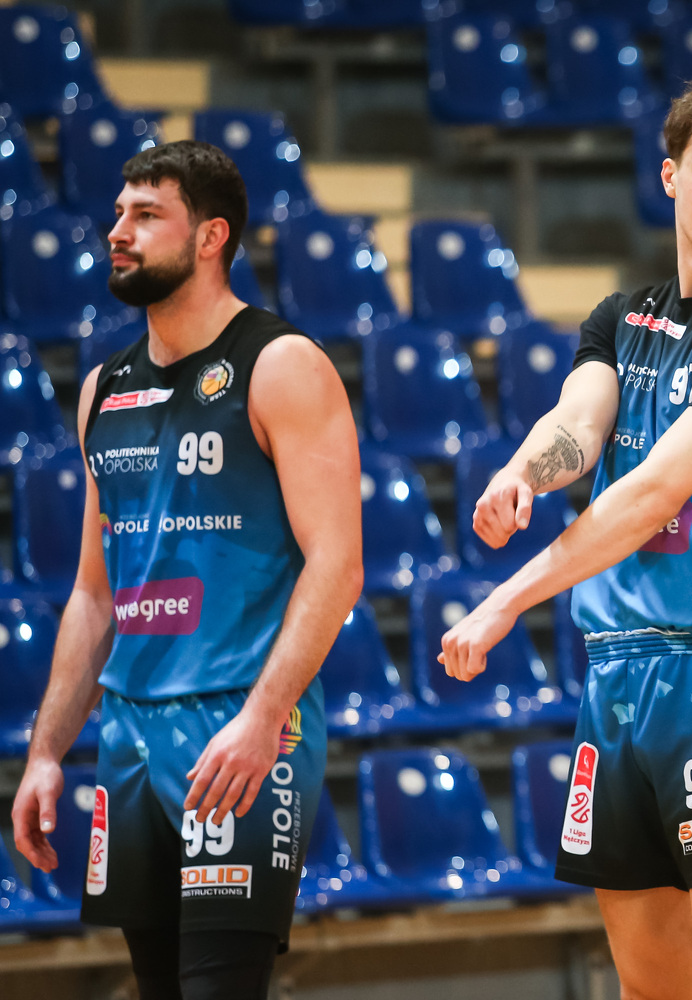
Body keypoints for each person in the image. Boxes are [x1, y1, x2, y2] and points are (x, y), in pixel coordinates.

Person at [438, 75, 692, 1000]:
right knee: (648, 985)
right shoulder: (623, 317)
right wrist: (521, 473)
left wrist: (503, 602)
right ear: (670, 176)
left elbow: (653, 491)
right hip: (616, 679)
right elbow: (579, 424)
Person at [9, 141, 362, 1000]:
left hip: (240, 723)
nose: (117, 232)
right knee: (157, 986)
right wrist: (47, 752)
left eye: (146, 215)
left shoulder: (282, 364)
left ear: (210, 237)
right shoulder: (103, 387)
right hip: (129, 734)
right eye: (119, 213)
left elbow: (339, 565)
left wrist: (263, 718)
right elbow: (93, 593)